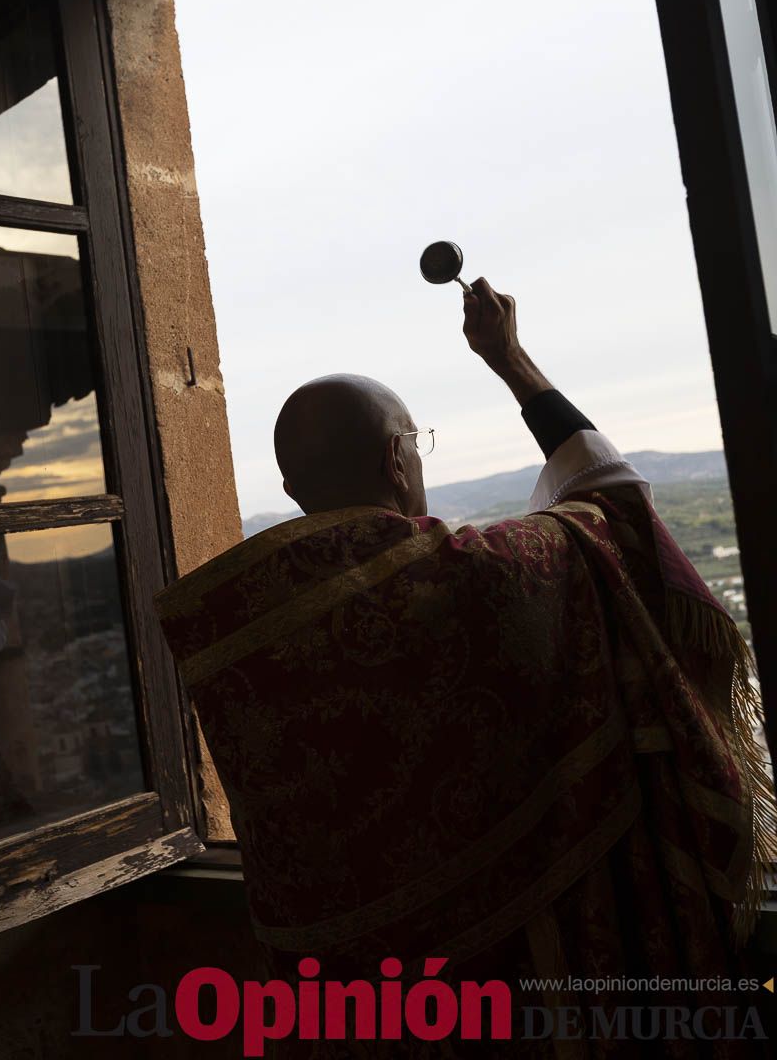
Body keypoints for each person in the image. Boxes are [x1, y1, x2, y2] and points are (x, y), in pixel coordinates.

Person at [155, 279, 774, 1056]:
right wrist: (512, 361)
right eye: (417, 443)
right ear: (396, 459)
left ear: (290, 488)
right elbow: (620, 515)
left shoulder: (246, 640)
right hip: (534, 998)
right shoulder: (479, 579)